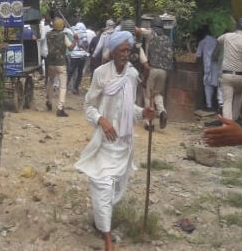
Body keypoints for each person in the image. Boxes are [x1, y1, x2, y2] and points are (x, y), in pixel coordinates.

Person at [75, 31, 155, 251]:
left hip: (124, 144)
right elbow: (88, 105)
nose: (126, 54)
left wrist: (144, 113)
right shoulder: (101, 74)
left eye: (129, 50)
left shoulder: (131, 75)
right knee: (102, 185)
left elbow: (130, 109)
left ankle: (101, 221)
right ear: (112, 52)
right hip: (105, 142)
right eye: (122, 50)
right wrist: (102, 120)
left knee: (116, 191)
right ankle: (108, 238)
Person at [216, 18, 242, 121]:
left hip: (226, 76)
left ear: (236, 27)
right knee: (239, 95)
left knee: (227, 101)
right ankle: (233, 122)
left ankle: (227, 124)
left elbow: (218, 40)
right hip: (240, 77)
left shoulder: (227, 36)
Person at [137, 17, 174, 129]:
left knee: (148, 95)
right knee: (157, 94)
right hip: (164, 71)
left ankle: (149, 123)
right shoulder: (166, 38)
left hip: (152, 68)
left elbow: (137, 31)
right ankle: (162, 111)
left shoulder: (150, 33)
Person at [45, 18, 76, 117]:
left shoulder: (48, 35)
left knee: (51, 81)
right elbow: (71, 47)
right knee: (63, 86)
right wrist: (75, 40)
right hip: (61, 63)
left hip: (50, 62)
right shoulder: (63, 36)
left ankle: (49, 102)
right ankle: (60, 108)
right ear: (62, 26)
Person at [196, 25, 222, 111]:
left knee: (208, 86)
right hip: (218, 67)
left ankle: (209, 106)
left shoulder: (202, 42)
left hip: (207, 67)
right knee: (219, 86)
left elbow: (198, 56)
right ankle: (219, 105)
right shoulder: (217, 41)